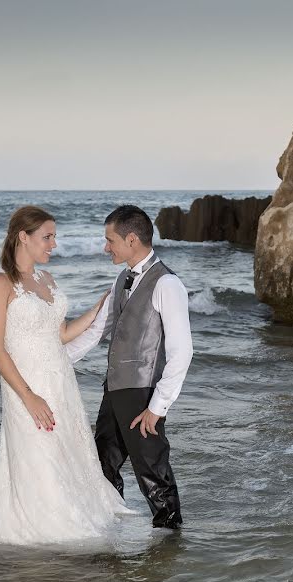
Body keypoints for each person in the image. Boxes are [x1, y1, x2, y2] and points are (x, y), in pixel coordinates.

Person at [0, 205, 129, 546]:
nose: (53, 244)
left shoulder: (47, 280)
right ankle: (39, 529)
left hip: (60, 382)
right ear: (23, 237)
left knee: (66, 450)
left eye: (54, 237)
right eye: (47, 237)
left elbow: (59, 334)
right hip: (26, 388)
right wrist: (28, 396)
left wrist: (97, 310)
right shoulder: (0, 284)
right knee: (38, 454)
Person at [66, 205, 193, 530]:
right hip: (115, 391)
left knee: (151, 471)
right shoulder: (122, 277)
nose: (106, 247)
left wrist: (157, 407)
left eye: (110, 240)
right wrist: (54, 361)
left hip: (143, 396)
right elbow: (97, 331)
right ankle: (110, 533)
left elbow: (182, 353)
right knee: (102, 464)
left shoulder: (167, 284)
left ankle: (170, 544)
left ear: (132, 239)